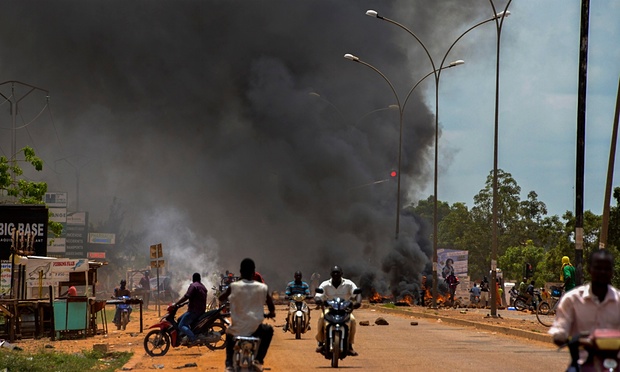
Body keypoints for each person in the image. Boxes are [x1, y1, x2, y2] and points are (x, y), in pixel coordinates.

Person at [549, 250, 620, 350]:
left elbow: (568, 277)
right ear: (589, 269)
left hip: (614, 359)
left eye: (606, 269)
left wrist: (564, 285)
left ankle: (552, 311)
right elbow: (559, 334)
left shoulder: (566, 268)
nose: (602, 272)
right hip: (582, 360)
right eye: (598, 268)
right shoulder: (572, 299)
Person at [219, 258, 275, 372]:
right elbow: (271, 305)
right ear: (254, 272)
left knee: (228, 335)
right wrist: (271, 314)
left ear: (240, 272)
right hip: (256, 329)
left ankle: (229, 364)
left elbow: (221, 298)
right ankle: (258, 360)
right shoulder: (263, 287)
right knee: (269, 330)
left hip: (237, 329)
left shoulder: (233, 286)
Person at [314, 265, 361, 356]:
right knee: (321, 319)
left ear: (341, 274)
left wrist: (358, 302)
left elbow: (357, 293)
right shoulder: (325, 284)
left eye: (338, 273)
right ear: (331, 274)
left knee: (352, 320)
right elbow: (318, 295)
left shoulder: (348, 283)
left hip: (344, 309)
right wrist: (318, 300)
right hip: (330, 309)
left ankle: (350, 345)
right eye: (334, 273)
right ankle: (320, 342)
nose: (336, 275)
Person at [173, 272, 207, 345]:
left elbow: (186, 296)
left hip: (194, 311)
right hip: (201, 310)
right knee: (179, 319)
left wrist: (176, 304)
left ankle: (193, 338)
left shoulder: (193, 286)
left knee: (181, 325)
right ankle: (184, 336)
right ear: (200, 279)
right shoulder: (203, 286)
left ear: (193, 279)